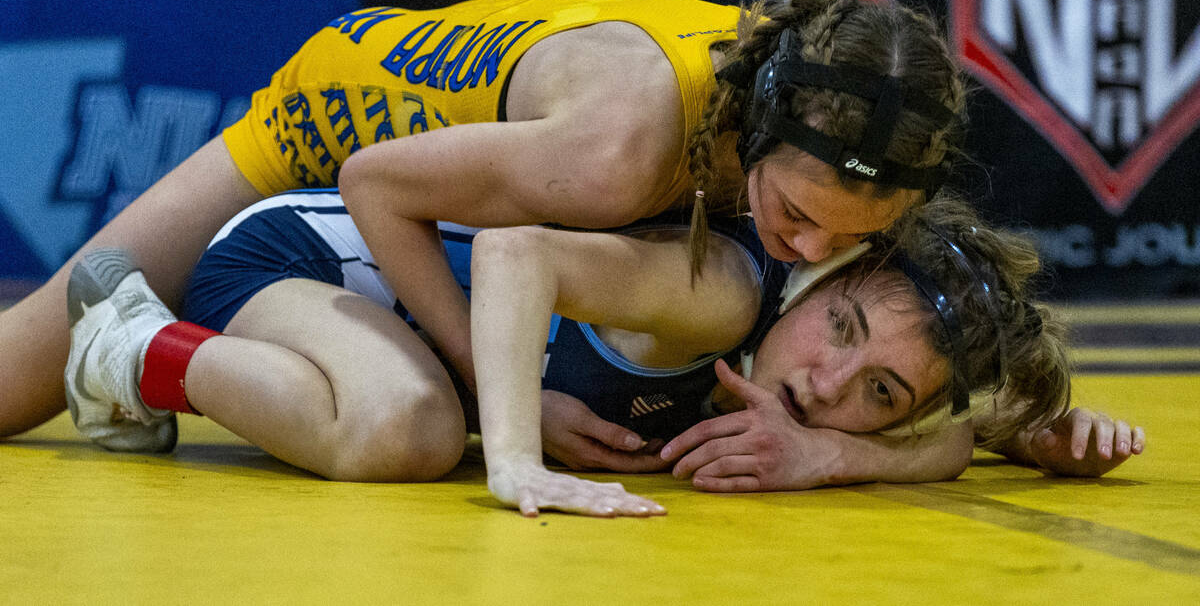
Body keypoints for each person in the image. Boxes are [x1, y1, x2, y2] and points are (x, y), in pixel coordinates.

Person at [1, 0, 966, 452]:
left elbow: (938, 337)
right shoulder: (622, 152)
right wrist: (511, 402)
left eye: (847, 237)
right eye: (794, 217)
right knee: (12, 381)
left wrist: (1037, 425)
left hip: (455, 150)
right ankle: (127, 350)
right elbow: (373, 183)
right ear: (750, 135)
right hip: (332, 117)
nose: (810, 252)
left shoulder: (833, 122)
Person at [62, 190, 1143, 517]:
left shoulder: (832, 416)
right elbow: (518, 254)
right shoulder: (723, 290)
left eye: (878, 393)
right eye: (841, 329)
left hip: (383, 327)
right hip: (312, 257)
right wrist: (516, 424)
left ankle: (163, 360)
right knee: (414, 429)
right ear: (818, 277)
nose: (822, 383)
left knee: (425, 417)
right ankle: (133, 344)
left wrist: (838, 456)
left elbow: (953, 440)